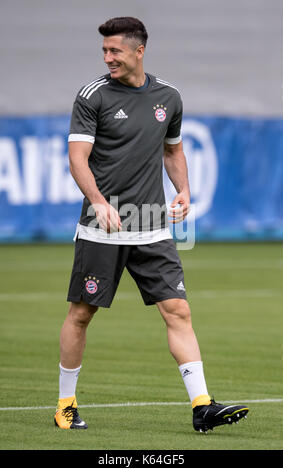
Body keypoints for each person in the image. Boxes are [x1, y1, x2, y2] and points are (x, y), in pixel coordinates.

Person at [54, 16, 249, 432]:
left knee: (177, 309)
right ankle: (65, 405)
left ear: (139, 50)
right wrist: (98, 202)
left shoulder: (169, 97)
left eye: (115, 51)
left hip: (152, 225)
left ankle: (202, 405)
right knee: (81, 314)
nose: (108, 58)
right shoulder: (92, 96)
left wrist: (184, 190)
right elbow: (77, 159)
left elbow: (173, 151)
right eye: (104, 51)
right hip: (101, 226)